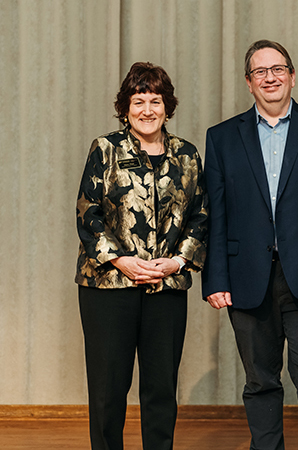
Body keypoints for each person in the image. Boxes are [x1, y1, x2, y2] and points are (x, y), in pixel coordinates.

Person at [202, 39, 298, 450]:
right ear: (249, 83)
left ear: (292, 76)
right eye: (260, 72)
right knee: (259, 382)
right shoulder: (221, 138)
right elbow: (215, 215)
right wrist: (215, 278)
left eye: (277, 69)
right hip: (246, 279)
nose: (269, 77)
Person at [75, 61, 208, 450]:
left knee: (161, 390)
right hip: (108, 288)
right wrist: (121, 260)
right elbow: (88, 212)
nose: (147, 110)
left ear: (168, 106)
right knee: (107, 392)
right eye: (138, 101)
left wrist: (177, 262)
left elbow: (201, 215)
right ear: (125, 106)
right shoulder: (106, 149)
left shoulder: (187, 155)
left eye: (155, 100)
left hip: (166, 286)